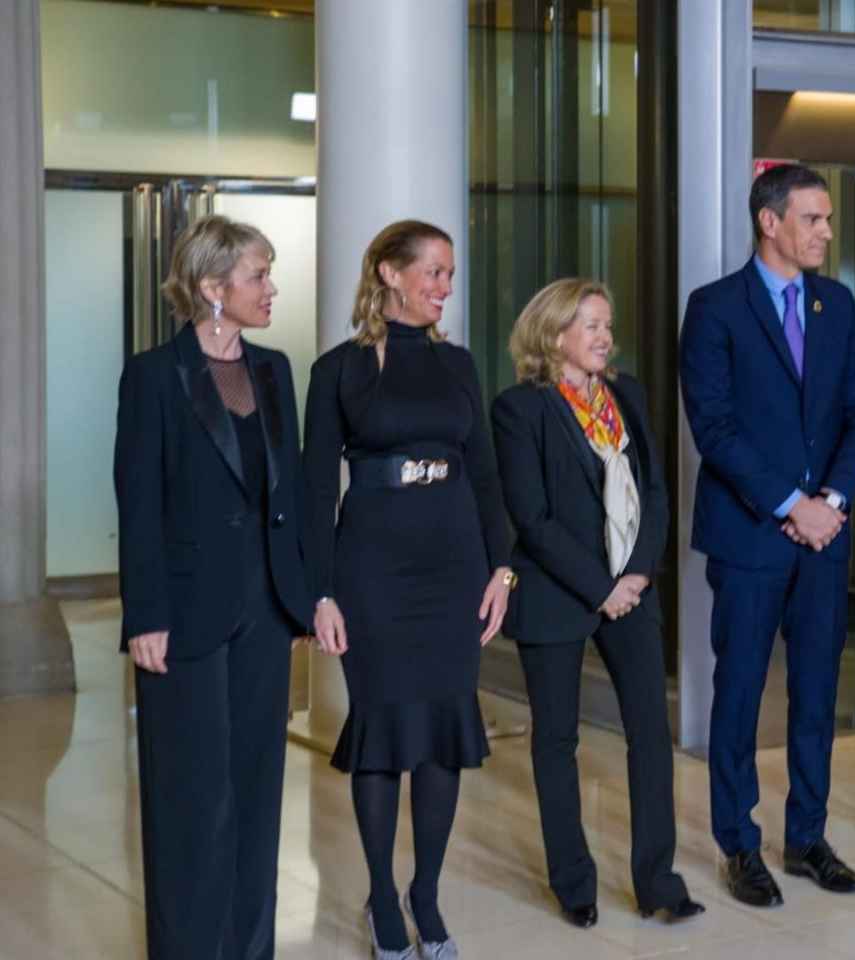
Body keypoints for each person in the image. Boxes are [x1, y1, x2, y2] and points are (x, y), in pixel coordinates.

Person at [304, 219, 514, 958]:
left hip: (454, 561)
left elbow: (485, 471)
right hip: (373, 566)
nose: (444, 287)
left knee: (444, 731)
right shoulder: (339, 369)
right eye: (432, 271)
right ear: (389, 273)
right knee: (384, 726)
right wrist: (320, 593)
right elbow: (311, 490)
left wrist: (502, 567)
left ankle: (426, 891)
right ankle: (382, 898)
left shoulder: (459, 364)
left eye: (450, 275)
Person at [114, 214, 313, 959]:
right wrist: (145, 615)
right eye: (259, 275)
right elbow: (139, 504)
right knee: (191, 802)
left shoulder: (274, 369)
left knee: (258, 795)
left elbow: (284, 493)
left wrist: (299, 596)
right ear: (212, 287)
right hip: (184, 617)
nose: (271, 288)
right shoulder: (153, 375)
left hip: (264, 613)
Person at [679, 163, 855, 908]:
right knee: (738, 696)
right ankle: (739, 844)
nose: (826, 231)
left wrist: (830, 497)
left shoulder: (837, 304)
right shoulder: (716, 309)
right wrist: (792, 503)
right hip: (752, 537)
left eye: (828, 219)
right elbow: (717, 429)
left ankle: (807, 838)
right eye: (814, 218)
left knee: (816, 693)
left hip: (823, 537)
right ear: (770, 222)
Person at [491, 279, 703, 928]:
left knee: (649, 734)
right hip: (559, 593)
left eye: (607, 324)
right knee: (557, 740)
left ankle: (658, 882)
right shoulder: (518, 410)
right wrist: (601, 586)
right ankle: (574, 883)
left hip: (632, 590)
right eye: (591, 325)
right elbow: (532, 516)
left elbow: (656, 494)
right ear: (554, 334)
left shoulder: (627, 395)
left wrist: (636, 576)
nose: (606, 336)